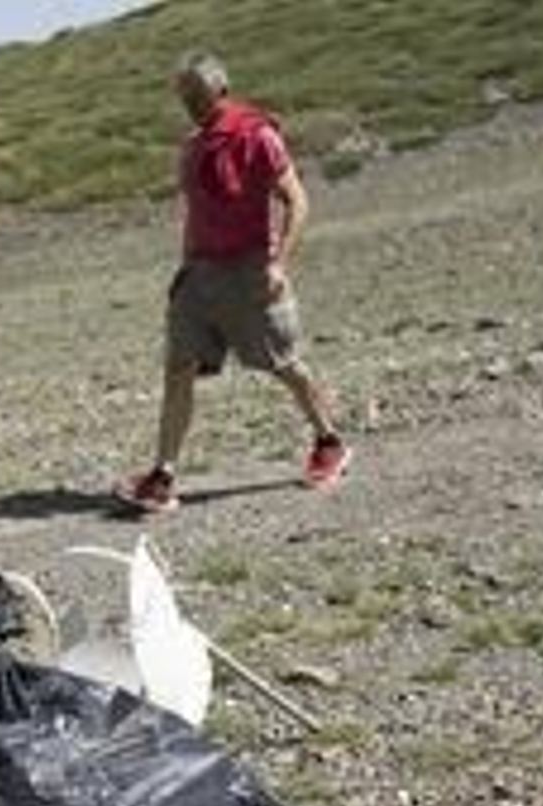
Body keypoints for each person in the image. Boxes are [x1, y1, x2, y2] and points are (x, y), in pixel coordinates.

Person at [117, 51, 350, 514]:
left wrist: (279, 263)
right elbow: (195, 214)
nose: (189, 104)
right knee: (179, 367)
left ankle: (329, 440)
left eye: (196, 95)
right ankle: (163, 475)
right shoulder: (194, 146)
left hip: (249, 269)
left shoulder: (257, 135)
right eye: (183, 96)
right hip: (200, 275)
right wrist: (184, 271)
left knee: (281, 362)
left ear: (220, 90)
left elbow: (296, 201)